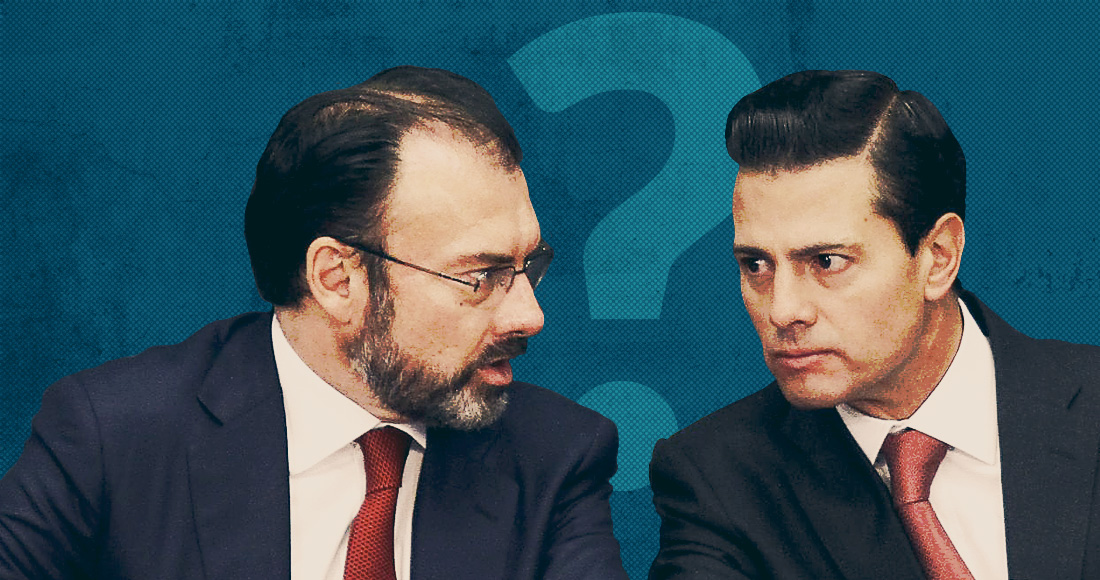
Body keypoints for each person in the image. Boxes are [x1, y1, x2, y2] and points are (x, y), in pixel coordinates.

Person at [0, 65, 628, 580]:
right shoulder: (115, 436)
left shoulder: (555, 458)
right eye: (480, 276)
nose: (530, 314)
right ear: (337, 279)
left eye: (528, 266)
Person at [649, 70, 1100, 580]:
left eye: (826, 262)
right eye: (756, 265)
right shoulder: (717, 480)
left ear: (938, 257)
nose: (782, 310)